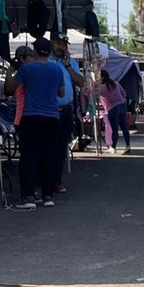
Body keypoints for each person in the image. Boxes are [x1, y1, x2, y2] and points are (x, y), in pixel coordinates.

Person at [5, 37, 64, 209]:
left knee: (29, 157)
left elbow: (10, 88)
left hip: (31, 117)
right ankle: (47, 195)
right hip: (52, 117)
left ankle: (28, 196)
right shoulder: (57, 69)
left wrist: (10, 71)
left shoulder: (27, 69)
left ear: (36, 51)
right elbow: (61, 93)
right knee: (48, 156)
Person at [52, 35, 84, 194]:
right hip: (49, 110)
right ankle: (41, 182)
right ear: (51, 43)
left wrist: (68, 67)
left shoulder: (70, 62)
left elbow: (81, 82)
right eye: (58, 43)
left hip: (65, 109)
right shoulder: (45, 61)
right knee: (47, 147)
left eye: (64, 44)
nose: (61, 47)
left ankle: (56, 181)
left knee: (60, 148)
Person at [99, 69, 131, 154]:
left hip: (112, 108)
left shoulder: (101, 88)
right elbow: (124, 93)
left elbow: (94, 95)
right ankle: (128, 145)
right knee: (124, 127)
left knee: (115, 129)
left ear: (102, 77)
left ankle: (113, 147)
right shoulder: (115, 83)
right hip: (122, 105)